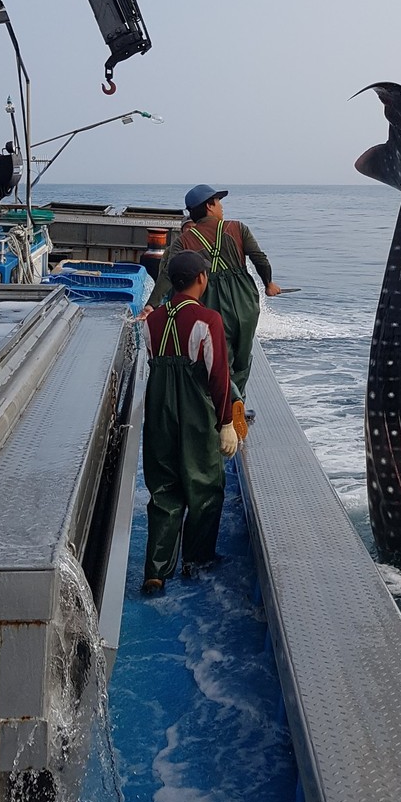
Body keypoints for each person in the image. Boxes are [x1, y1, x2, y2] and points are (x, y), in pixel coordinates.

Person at [140, 250, 239, 594]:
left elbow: (152, 359)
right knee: (205, 486)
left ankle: (155, 571)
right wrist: (226, 421)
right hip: (196, 412)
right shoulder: (207, 320)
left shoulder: (152, 321)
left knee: (164, 488)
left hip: (158, 411)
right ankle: (196, 562)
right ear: (201, 279)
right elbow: (219, 376)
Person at [142, 185, 281, 402]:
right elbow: (259, 258)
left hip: (209, 299)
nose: (221, 206)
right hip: (244, 299)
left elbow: (168, 275)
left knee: (219, 355)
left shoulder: (183, 241)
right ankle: (239, 400)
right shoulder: (238, 228)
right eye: (218, 201)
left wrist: (152, 304)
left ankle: (227, 400)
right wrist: (269, 283)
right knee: (243, 354)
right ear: (209, 205)